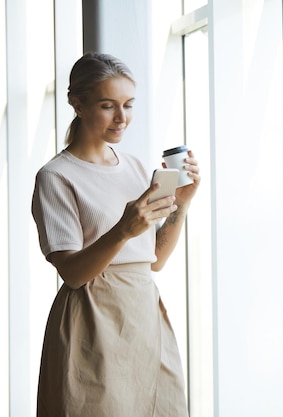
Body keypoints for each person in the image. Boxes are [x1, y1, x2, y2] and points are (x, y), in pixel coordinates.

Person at [31, 52, 200, 417]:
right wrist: (123, 230)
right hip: (93, 319)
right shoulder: (56, 176)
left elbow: (154, 260)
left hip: (143, 316)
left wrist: (181, 205)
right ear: (77, 103)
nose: (122, 118)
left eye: (128, 105)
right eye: (108, 106)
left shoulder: (137, 167)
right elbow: (73, 273)